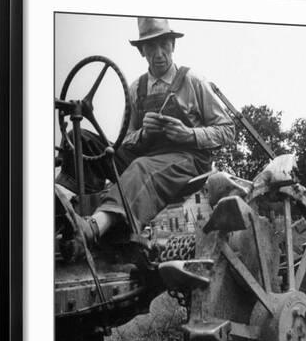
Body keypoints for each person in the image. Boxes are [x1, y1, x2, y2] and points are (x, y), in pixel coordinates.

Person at [56, 17, 235, 248]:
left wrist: (188, 134)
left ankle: (92, 227)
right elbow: (126, 139)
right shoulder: (136, 88)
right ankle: (63, 207)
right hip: (147, 156)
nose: (158, 53)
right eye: (151, 46)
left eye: (164, 44)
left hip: (188, 163)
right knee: (80, 140)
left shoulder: (193, 81)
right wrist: (143, 135)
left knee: (142, 166)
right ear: (142, 50)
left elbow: (228, 130)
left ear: (173, 45)